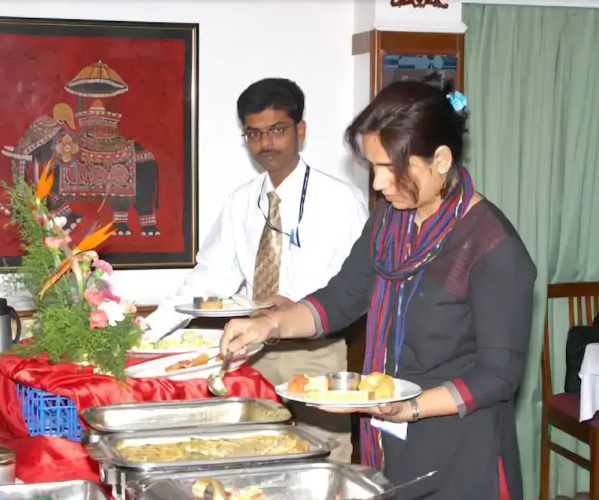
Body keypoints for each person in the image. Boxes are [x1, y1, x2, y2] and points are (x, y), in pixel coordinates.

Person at [219, 80, 537, 499]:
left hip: (460, 451)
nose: (379, 184)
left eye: (392, 168)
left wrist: (411, 407)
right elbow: (342, 297)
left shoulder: (492, 246)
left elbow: (498, 375)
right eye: (374, 167)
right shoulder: (390, 219)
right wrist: (269, 325)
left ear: (441, 160)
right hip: (389, 440)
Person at [144, 77, 368, 462]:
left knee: (323, 459)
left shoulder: (341, 200)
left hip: (315, 353)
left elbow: (358, 285)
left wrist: (300, 309)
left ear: (300, 131)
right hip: (253, 353)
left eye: (277, 130)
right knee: (252, 456)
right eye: (254, 133)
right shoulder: (242, 201)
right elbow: (210, 276)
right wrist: (151, 330)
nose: (266, 143)